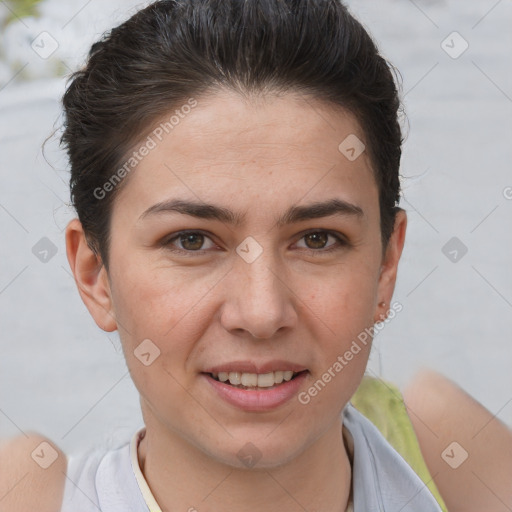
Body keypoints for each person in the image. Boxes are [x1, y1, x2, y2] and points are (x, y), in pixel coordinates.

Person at [0, 0, 510, 511]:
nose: (262, 313)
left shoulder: (474, 476)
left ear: (386, 266)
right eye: (191, 240)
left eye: (317, 239)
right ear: (95, 276)